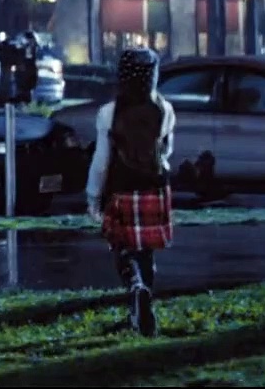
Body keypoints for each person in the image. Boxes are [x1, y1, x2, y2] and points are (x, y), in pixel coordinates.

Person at [85, 47, 176, 337]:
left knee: (123, 249)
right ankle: (145, 298)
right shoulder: (164, 109)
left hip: (121, 188)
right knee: (146, 252)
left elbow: (102, 161)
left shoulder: (109, 113)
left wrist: (93, 196)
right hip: (155, 187)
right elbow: (166, 151)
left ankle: (136, 289)